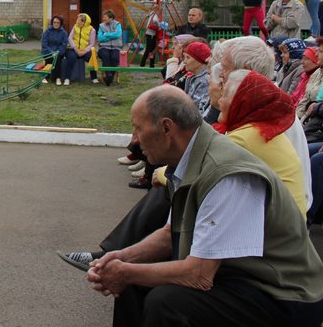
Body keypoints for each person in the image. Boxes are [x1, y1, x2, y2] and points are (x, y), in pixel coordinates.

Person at [59, 35, 313, 272]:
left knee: (173, 183)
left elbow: (211, 159)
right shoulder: (264, 103)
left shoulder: (260, 119)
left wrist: (164, 173)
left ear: (241, 71)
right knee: (172, 180)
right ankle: (122, 256)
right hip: (260, 210)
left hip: (269, 226)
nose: (218, 75)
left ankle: (125, 258)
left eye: (223, 69)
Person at [86, 85, 323, 327]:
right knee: (135, 279)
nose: (134, 139)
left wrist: (125, 272)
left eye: (138, 128)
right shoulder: (189, 159)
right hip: (240, 278)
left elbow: (199, 275)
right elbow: (170, 234)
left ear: (167, 128)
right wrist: (121, 258)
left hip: (283, 295)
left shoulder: (226, 174)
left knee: (167, 302)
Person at [215, 69, 307, 215]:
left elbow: (196, 172)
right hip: (290, 225)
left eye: (225, 94)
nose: (220, 99)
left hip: (277, 232)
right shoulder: (262, 128)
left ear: (240, 101)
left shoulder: (245, 137)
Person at [65, 13, 98, 84]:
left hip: (85, 50)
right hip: (73, 49)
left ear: (84, 22)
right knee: (71, 57)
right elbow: (70, 38)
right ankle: (67, 78)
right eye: (77, 20)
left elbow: (92, 44)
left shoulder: (92, 30)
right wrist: (76, 49)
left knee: (92, 57)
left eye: (79, 20)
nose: (77, 22)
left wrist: (84, 51)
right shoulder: (75, 26)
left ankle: (94, 77)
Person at [182, 41, 211, 112]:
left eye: (188, 58)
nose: (184, 61)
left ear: (199, 61)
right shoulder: (196, 77)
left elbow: (197, 110)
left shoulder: (205, 81)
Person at [97, 10, 123, 86]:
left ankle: (110, 76)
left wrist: (106, 34)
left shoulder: (117, 24)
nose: (103, 19)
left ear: (111, 18)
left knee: (115, 57)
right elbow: (100, 38)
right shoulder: (101, 26)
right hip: (104, 47)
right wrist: (111, 37)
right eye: (103, 17)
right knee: (105, 55)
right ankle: (109, 75)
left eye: (105, 17)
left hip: (116, 47)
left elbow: (118, 34)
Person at [40, 14, 69, 85]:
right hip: (48, 51)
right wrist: (51, 52)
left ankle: (57, 78)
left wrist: (57, 52)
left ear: (61, 23)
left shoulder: (64, 33)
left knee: (57, 59)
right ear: (52, 23)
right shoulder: (47, 32)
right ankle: (46, 76)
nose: (56, 24)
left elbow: (64, 44)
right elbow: (44, 44)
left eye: (58, 23)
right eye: (54, 22)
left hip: (59, 52)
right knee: (49, 58)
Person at [139, 2, 164, 69]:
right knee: (149, 50)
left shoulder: (152, 13)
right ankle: (142, 63)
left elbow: (148, 16)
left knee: (152, 50)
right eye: (159, 12)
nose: (159, 13)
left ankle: (151, 64)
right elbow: (155, 21)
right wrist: (159, 25)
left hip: (150, 34)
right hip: (151, 34)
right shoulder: (154, 15)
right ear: (157, 11)